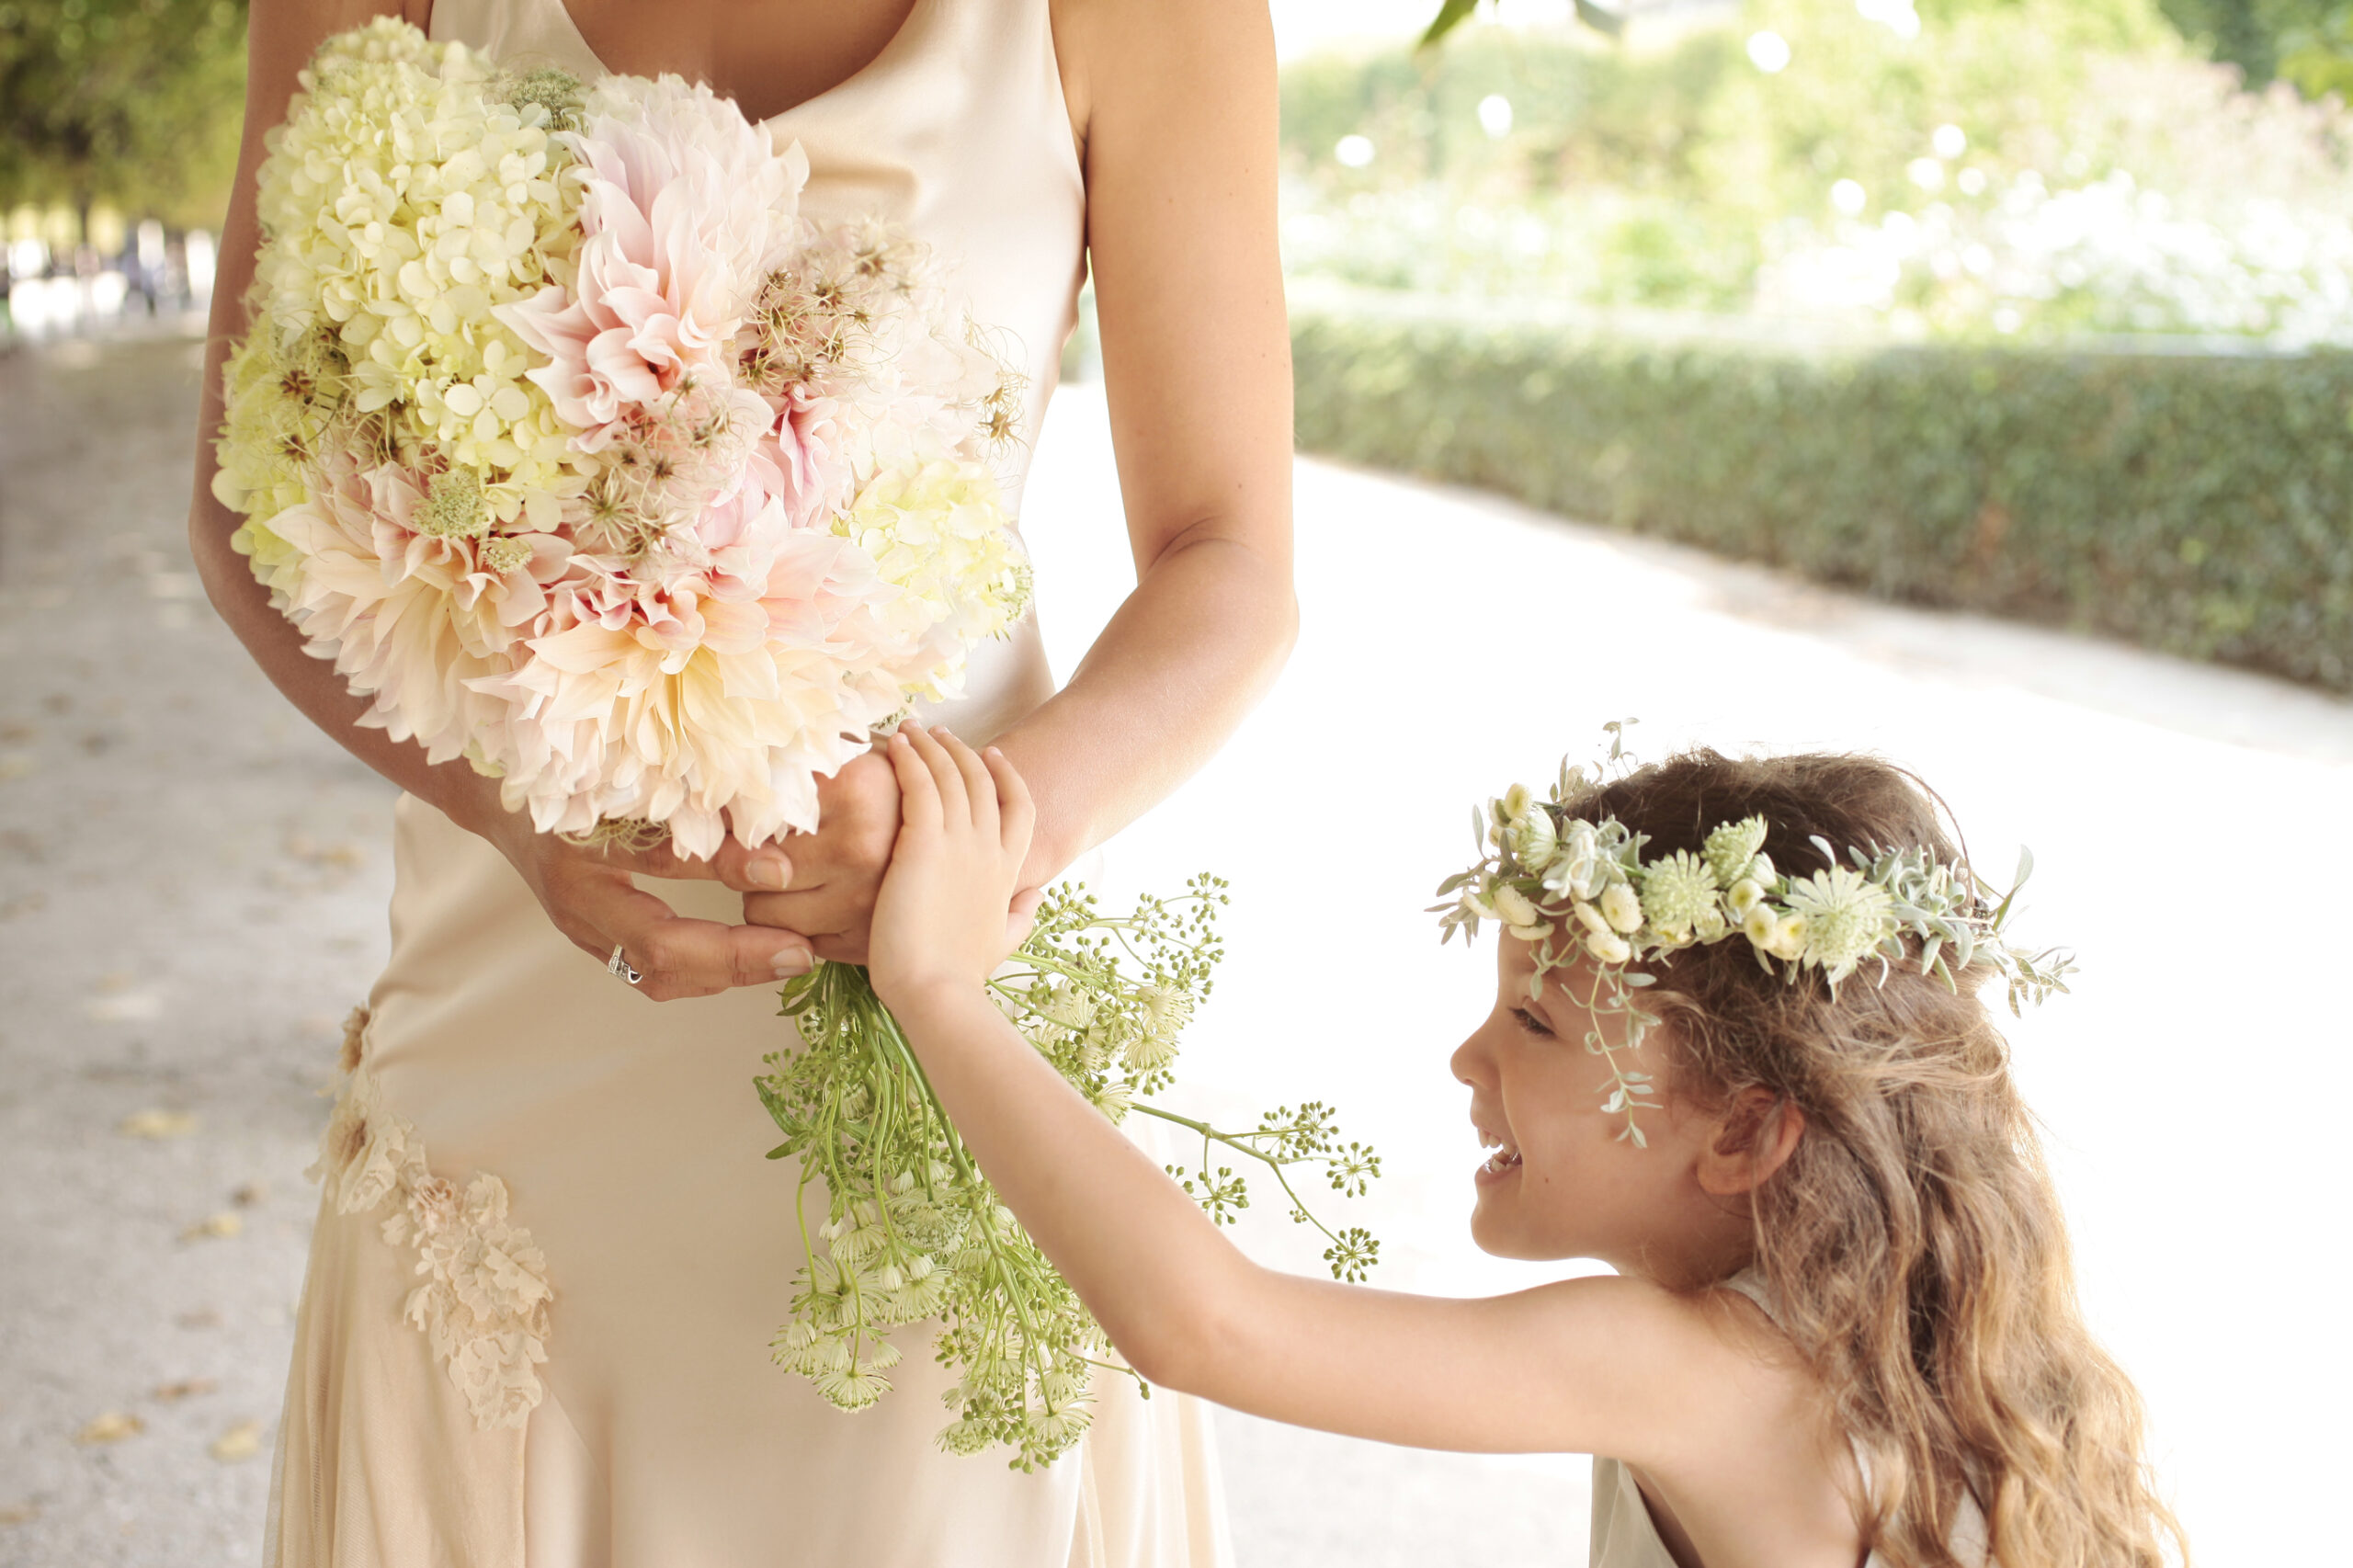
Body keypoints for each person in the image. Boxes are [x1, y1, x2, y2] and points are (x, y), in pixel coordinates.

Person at [186, 0, 1292, 1562]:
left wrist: (986, 824)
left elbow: (1230, 561)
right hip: (513, 1066)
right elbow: (248, 507)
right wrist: (517, 811)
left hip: (934, 1045)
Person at [863, 724, 2191, 1568]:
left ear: (1740, 1129)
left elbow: (1210, 1327)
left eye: (1537, 1024)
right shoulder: (1840, 1337)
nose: (1468, 1059)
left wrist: (935, 985)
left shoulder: (1710, 1368)